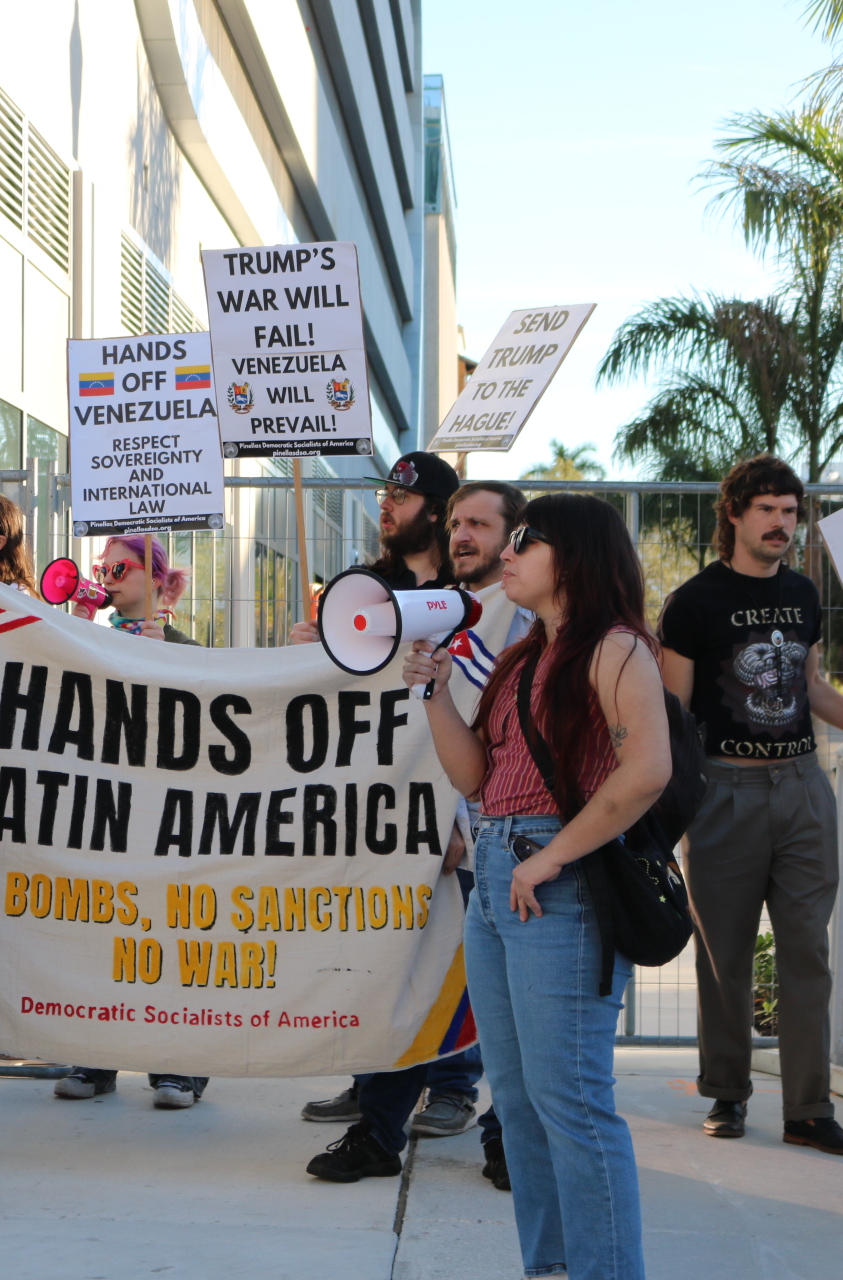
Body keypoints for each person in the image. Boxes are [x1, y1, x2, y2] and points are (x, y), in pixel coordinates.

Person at [404, 492, 669, 1280]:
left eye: (527, 540)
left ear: (575, 557)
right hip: (499, 874)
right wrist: (432, 694)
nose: (507, 554)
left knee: (573, 1105)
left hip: (557, 880)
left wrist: (551, 858)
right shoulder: (525, 655)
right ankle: (549, 1267)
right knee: (517, 1104)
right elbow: (479, 776)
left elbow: (647, 770)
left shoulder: (617, 648)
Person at [659, 455, 843, 1155]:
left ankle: (809, 1110)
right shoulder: (692, 602)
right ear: (733, 512)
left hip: (800, 787)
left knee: (807, 955)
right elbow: (672, 710)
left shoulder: (803, 593)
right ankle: (726, 1094)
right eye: (767, 510)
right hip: (723, 793)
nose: (781, 523)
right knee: (723, 955)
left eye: (790, 511)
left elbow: (811, 688)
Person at [302, 480, 525, 1187]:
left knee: (509, 1004)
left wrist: (459, 819)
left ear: (513, 538)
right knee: (407, 982)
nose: (463, 535)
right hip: (425, 836)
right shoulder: (439, 619)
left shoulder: (523, 624)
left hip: (499, 836)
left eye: (480, 525)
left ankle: (507, 1136)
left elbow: (502, 736)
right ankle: (377, 1131)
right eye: (457, 522)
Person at [53, 534, 209, 1108]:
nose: (107, 576)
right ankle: (96, 1058)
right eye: (103, 568)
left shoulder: (183, 642)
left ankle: (181, 1067)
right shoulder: (87, 630)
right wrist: (75, 629)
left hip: (166, 814)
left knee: (172, 939)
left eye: (119, 567)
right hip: (106, 810)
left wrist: (165, 650)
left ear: (155, 578)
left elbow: (207, 707)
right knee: (101, 935)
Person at [288, 450, 457, 646]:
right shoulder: (359, 583)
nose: (385, 504)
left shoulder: (464, 588)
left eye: (400, 495)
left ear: (434, 510)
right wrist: (312, 644)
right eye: (386, 493)